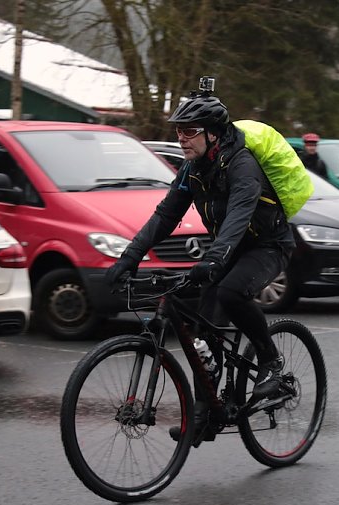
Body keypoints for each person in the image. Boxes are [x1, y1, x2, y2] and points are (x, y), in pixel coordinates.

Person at [104, 81, 295, 442]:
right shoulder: (192, 170)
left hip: (268, 245)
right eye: (178, 130)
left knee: (231, 293)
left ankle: (271, 361)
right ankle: (205, 416)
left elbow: (239, 217)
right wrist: (128, 258)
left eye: (189, 131)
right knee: (202, 340)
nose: (181, 138)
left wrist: (213, 260)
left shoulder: (242, 165)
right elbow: (164, 217)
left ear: (213, 134)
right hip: (228, 247)